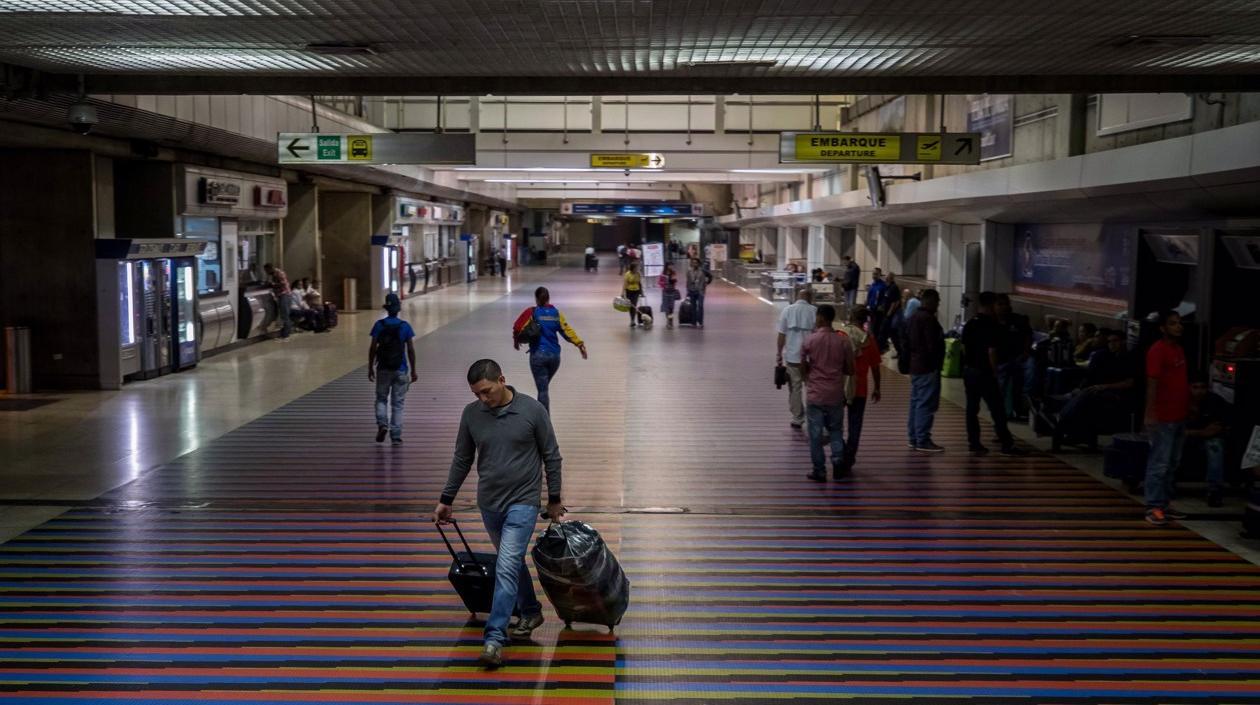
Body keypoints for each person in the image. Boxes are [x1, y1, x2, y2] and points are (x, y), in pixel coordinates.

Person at [433, 359, 564, 668]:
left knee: (505, 566)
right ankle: (530, 611)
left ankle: (494, 638)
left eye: (487, 392)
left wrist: (554, 498)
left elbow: (552, 455)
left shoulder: (532, 411)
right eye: (477, 393)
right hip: (489, 504)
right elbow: (462, 459)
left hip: (524, 502)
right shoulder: (471, 414)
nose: (483, 399)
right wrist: (446, 498)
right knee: (511, 561)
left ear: (502, 380)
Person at [961, 292, 1025, 456]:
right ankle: (1007, 444)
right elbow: (992, 351)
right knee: (997, 409)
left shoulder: (970, 323)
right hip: (984, 372)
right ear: (991, 305)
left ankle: (974, 443)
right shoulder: (991, 325)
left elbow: (963, 348)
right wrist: (995, 371)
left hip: (969, 371)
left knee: (971, 409)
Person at [1143, 310, 1190, 526]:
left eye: (1179, 323)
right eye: (1173, 324)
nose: (1178, 327)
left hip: (1179, 415)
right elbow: (1152, 382)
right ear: (1163, 328)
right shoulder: (1157, 351)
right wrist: (1150, 413)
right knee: (1159, 463)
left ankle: (1164, 503)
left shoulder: (1178, 350)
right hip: (1163, 417)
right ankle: (1153, 506)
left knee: (1173, 463)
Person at [800, 304, 855, 481]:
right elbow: (850, 369)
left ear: (821, 318)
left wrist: (807, 379)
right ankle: (838, 464)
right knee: (836, 430)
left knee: (815, 434)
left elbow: (802, 364)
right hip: (835, 394)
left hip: (815, 394)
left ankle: (819, 470)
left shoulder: (810, 340)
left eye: (817, 317)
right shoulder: (843, 341)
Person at [513, 286, 587, 412]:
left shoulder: (532, 312)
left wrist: (516, 341)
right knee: (544, 387)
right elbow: (567, 331)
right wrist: (579, 344)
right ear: (549, 298)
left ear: (536, 298)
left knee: (543, 390)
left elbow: (518, 327)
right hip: (555, 357)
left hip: (538, 355)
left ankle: (544, 421)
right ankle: (541, 416)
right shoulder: (556, 313)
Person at [368, 293, 417, 446]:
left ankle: (382, 424)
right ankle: (395, 435)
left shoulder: (379, 325)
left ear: (387, 308)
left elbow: (372, 348)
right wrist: (413, 370)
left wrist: (370, 367)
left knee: (381, 398)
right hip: (400, 369)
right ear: (398, 309)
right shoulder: (405, 326)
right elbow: (410, 349)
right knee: (398, 404)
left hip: (382, 368)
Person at [837, 305, 881, 469]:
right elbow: (875, 367)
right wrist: (877, 387)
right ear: (865, 320)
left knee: (835, 422)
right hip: (859, 387)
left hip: (840, 386)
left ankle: (839, 449)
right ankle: (849, 456)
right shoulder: (868, 339)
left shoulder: (841, 335)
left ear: (851, 316)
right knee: (855, 425)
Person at [906, 289, 946, 452]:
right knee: (925, 403)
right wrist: (936, 363)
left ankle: (914, 437)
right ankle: (923, 439)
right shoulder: (928, 320)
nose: (938, 305)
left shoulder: (913, 317)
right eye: (937, 301)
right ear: (930, 301)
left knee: (916, 402)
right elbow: (932, 345)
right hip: (927, 367)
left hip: (915, 366)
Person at [1185, 373, 1231, 508]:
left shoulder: (1215, 401)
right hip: (1187, 436)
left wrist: (1198, 433)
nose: (1199, 391)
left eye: (1203, 387)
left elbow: (1215, 429)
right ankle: (1167, 485)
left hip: (1208, 439)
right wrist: (1200, 432)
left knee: (1215, 446)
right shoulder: (1181, 401)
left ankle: (1214, 490)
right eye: (1195, 387)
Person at [776, 289, 818, 430]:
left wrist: (779, 354)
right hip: (811, 358)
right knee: (812, 387)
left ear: (797, 297)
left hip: (793, 357)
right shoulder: (815, 311)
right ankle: (814, 416)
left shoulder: (787, 310)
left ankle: (797, 418)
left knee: (795, 388)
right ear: (810, 298)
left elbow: (781, 334)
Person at [995, 293, 1033, 421]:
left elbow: (1028, 336)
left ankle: (1019, 409)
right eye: (1000, 304)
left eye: (1005, 304)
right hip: (1000, 360)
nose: (1003, 307)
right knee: (1000, 388)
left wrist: (1026, 352)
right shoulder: (991, 322)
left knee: (1020, 385)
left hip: (1017, 358)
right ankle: (1001, 412)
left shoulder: (1018, 320)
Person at [263, 263, 292, 339]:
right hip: (280, 295)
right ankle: (285, 332)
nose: (266, 272)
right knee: (283, 314)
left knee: (285, 314)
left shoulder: (279, 273)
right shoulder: (272, 275)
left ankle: (286, 334)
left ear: (270, 268)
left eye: (267, 270)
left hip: (284, 294)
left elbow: (283, 284)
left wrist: (272, 284)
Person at [877, 272, 903, 351]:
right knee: (885, 332)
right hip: (885, 313)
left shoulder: (894, 287)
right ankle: (884, 347)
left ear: (891, 278)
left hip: (890, 315)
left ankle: (882, 348)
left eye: (887, 277)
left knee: (885, 331)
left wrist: (890, 312)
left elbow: (895, 302)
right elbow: (886, 299)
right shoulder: (887, 287)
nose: (885, 278)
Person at [686, 258, 712, 328]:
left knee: (700, 306)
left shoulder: (703, 271)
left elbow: (710, 276)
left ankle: (700, 322)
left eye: (696, 263)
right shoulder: (689, 271)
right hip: (692, 290)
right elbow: (688, 281)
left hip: (700, 291)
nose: (695, 264)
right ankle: (693, 323)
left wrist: (707, 282)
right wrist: (687, 291)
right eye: (693, 263)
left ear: (698, 264)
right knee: (693, 307)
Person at [659, 262, 681, 328]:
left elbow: (675, 280)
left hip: (672, 291)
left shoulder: (673, 273)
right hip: (665, 292)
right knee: (666, 307)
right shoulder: (663, 273)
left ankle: (671, 321)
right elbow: (659, 282)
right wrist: (664, 284)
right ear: (667, 266)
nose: (671, 267)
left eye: (672, 265)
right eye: (669, 265)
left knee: (671, 307)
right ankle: (668, 321)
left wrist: (673, 280)